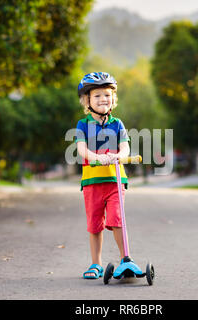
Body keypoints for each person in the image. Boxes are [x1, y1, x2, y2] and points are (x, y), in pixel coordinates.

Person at [75, 72, 130, 279]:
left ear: (113, 98)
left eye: (107, 94)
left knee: (117, 219)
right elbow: (82, 149)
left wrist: (118, 155)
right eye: (97, 95)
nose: (103, 99)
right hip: (92, 182)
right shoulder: (83, 125)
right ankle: (96, 264)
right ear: (87, 100)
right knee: (95, 223)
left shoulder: (118, 124)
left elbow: (125, 148)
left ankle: (126, 260)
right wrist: (96, 157)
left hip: (115, 181)